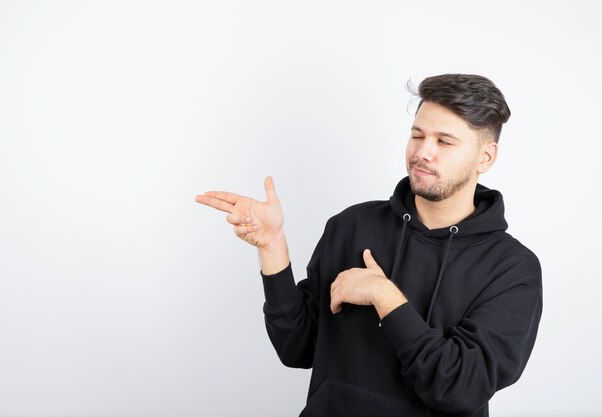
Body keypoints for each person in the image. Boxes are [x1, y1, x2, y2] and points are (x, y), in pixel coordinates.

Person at [195, 74, 542, 417]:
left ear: (485, 157)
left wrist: (384, 295)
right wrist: (271, 247)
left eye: (444, 142)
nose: (423, 152)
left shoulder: (512, 268)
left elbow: (460, 388)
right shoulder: (352, 225)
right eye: (417, 135)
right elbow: (296, 348)